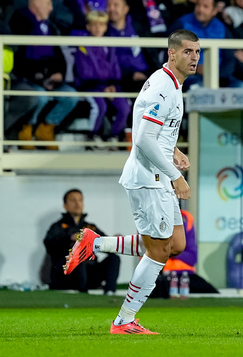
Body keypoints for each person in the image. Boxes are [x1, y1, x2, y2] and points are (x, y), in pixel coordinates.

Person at [64, 29, 198, 335]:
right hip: (149, 178)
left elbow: (152, 131)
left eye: (197, 52)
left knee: (175, 244)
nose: (194, 58)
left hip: (158, 173)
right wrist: (177, 176)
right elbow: (143, 139)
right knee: (159, 251)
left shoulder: (173, 84)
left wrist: (173, 149)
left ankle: (94, 242)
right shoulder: (163, 88)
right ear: (172, 53)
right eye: (188, 52)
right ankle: (124, 321)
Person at [10, 0, 78, 149]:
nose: (51, 8)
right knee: (40, 96)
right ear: (36, 4)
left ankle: (46, 129)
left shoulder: (51, 27)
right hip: (29, 79)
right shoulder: (20, 24)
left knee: (71, 96)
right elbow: (20, 59)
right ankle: (26, 129)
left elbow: (60, 56)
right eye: (48, 3)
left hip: (51, 80)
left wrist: (59, 73)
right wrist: (39, 77)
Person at [43, 189, 120, 294]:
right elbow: (49, 244)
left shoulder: (90, 227)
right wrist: (69, 238)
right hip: (67, 275)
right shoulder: (58, 226)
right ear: (65, 205)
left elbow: (107, 246)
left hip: (89, 274)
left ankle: (110, 292)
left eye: (80, 200)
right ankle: (82, 293)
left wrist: (115, 241)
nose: (77, 203)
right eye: (73, 200)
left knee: (114, 258)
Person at [73, 10, 128, 145]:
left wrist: (113, 86)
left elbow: (115, 68)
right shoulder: (83, 47)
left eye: (101, 25)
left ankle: (113, 136)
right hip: (91, 86)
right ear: (88, 27)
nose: (98, 28)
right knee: (100, 106)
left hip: (109, 86)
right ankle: (92, 137)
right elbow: (84, 72)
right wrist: (103, 88)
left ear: (105, 27)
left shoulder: (110, 46)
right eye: (94, 24)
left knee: (124, 107)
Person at [106, 0, 149, 93]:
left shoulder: (139, 27)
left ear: (125, 9)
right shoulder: (103, 32)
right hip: (120, 79)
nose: (111, 9)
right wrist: (130, 75)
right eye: (108, 6)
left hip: (145, 74)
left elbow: (151, 54)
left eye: (116, 5)